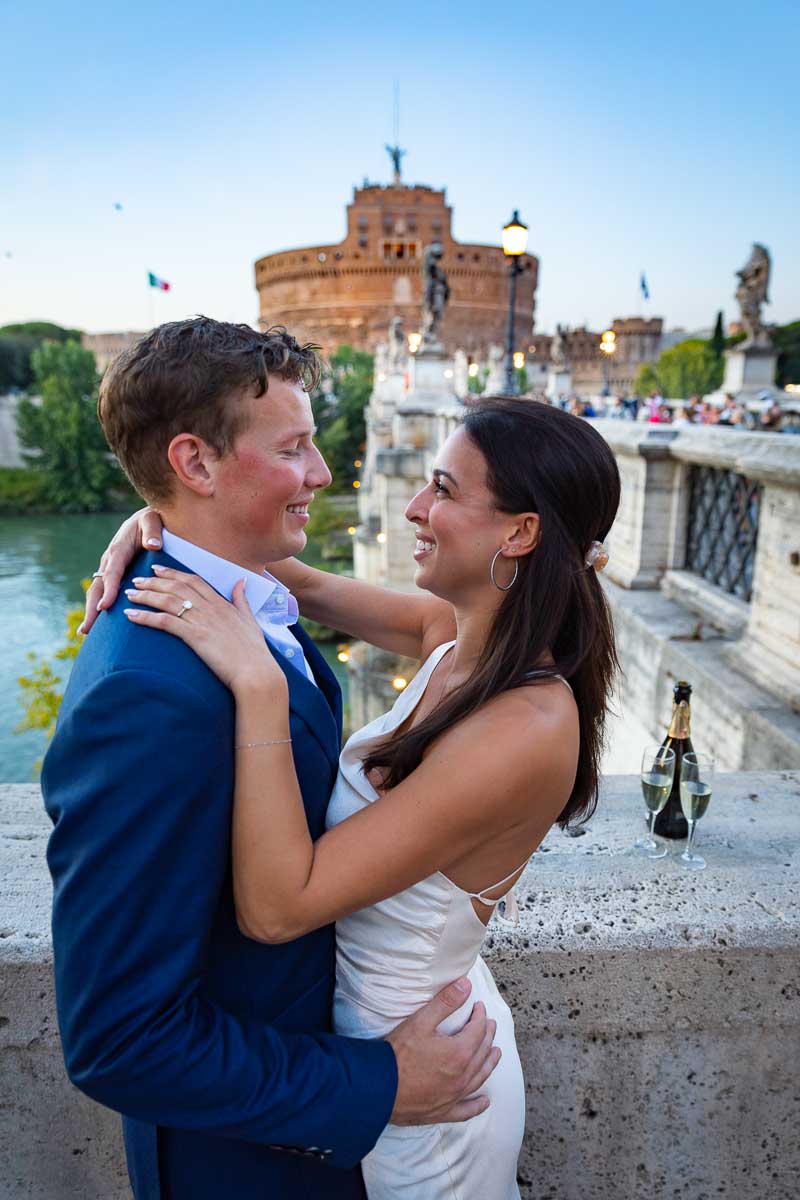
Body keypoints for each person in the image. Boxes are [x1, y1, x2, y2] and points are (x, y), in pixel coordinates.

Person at [86, 372, 622, 1199]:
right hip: (381, 1054)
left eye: (441, 490)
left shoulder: (526, 726)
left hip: (429, 1085)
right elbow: (299, 583)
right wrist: (161, 521)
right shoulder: (460, 640)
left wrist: (259, 688)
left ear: (518, 533)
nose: (411, 507)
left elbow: (275, 907)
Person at [43, 320, 500, 1200]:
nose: (324, 475)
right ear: (197, 464)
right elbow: (118, 1037)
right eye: (294, 449)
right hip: (251, 1165)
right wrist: (380, 1086)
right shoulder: (150, 695)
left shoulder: (239, 594)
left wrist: (156, 524)